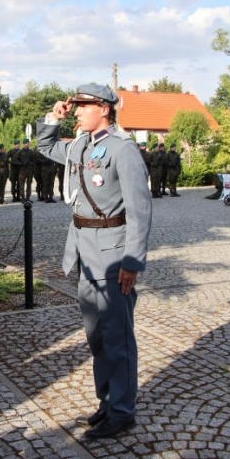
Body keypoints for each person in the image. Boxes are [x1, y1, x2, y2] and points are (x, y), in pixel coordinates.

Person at [37, 84, 151, 439]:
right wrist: (51, 119)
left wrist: (132, 262)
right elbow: (44, 146)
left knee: (117, 338)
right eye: (74, 106)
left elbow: (140, 210)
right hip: (84, 253)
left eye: (82, 105)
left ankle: (122, 411)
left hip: (113, 256)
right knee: (97, 338)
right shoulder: (80, 146)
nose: (76, 111)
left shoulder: (123, 150)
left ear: (103, 108)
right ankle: (108, 401)